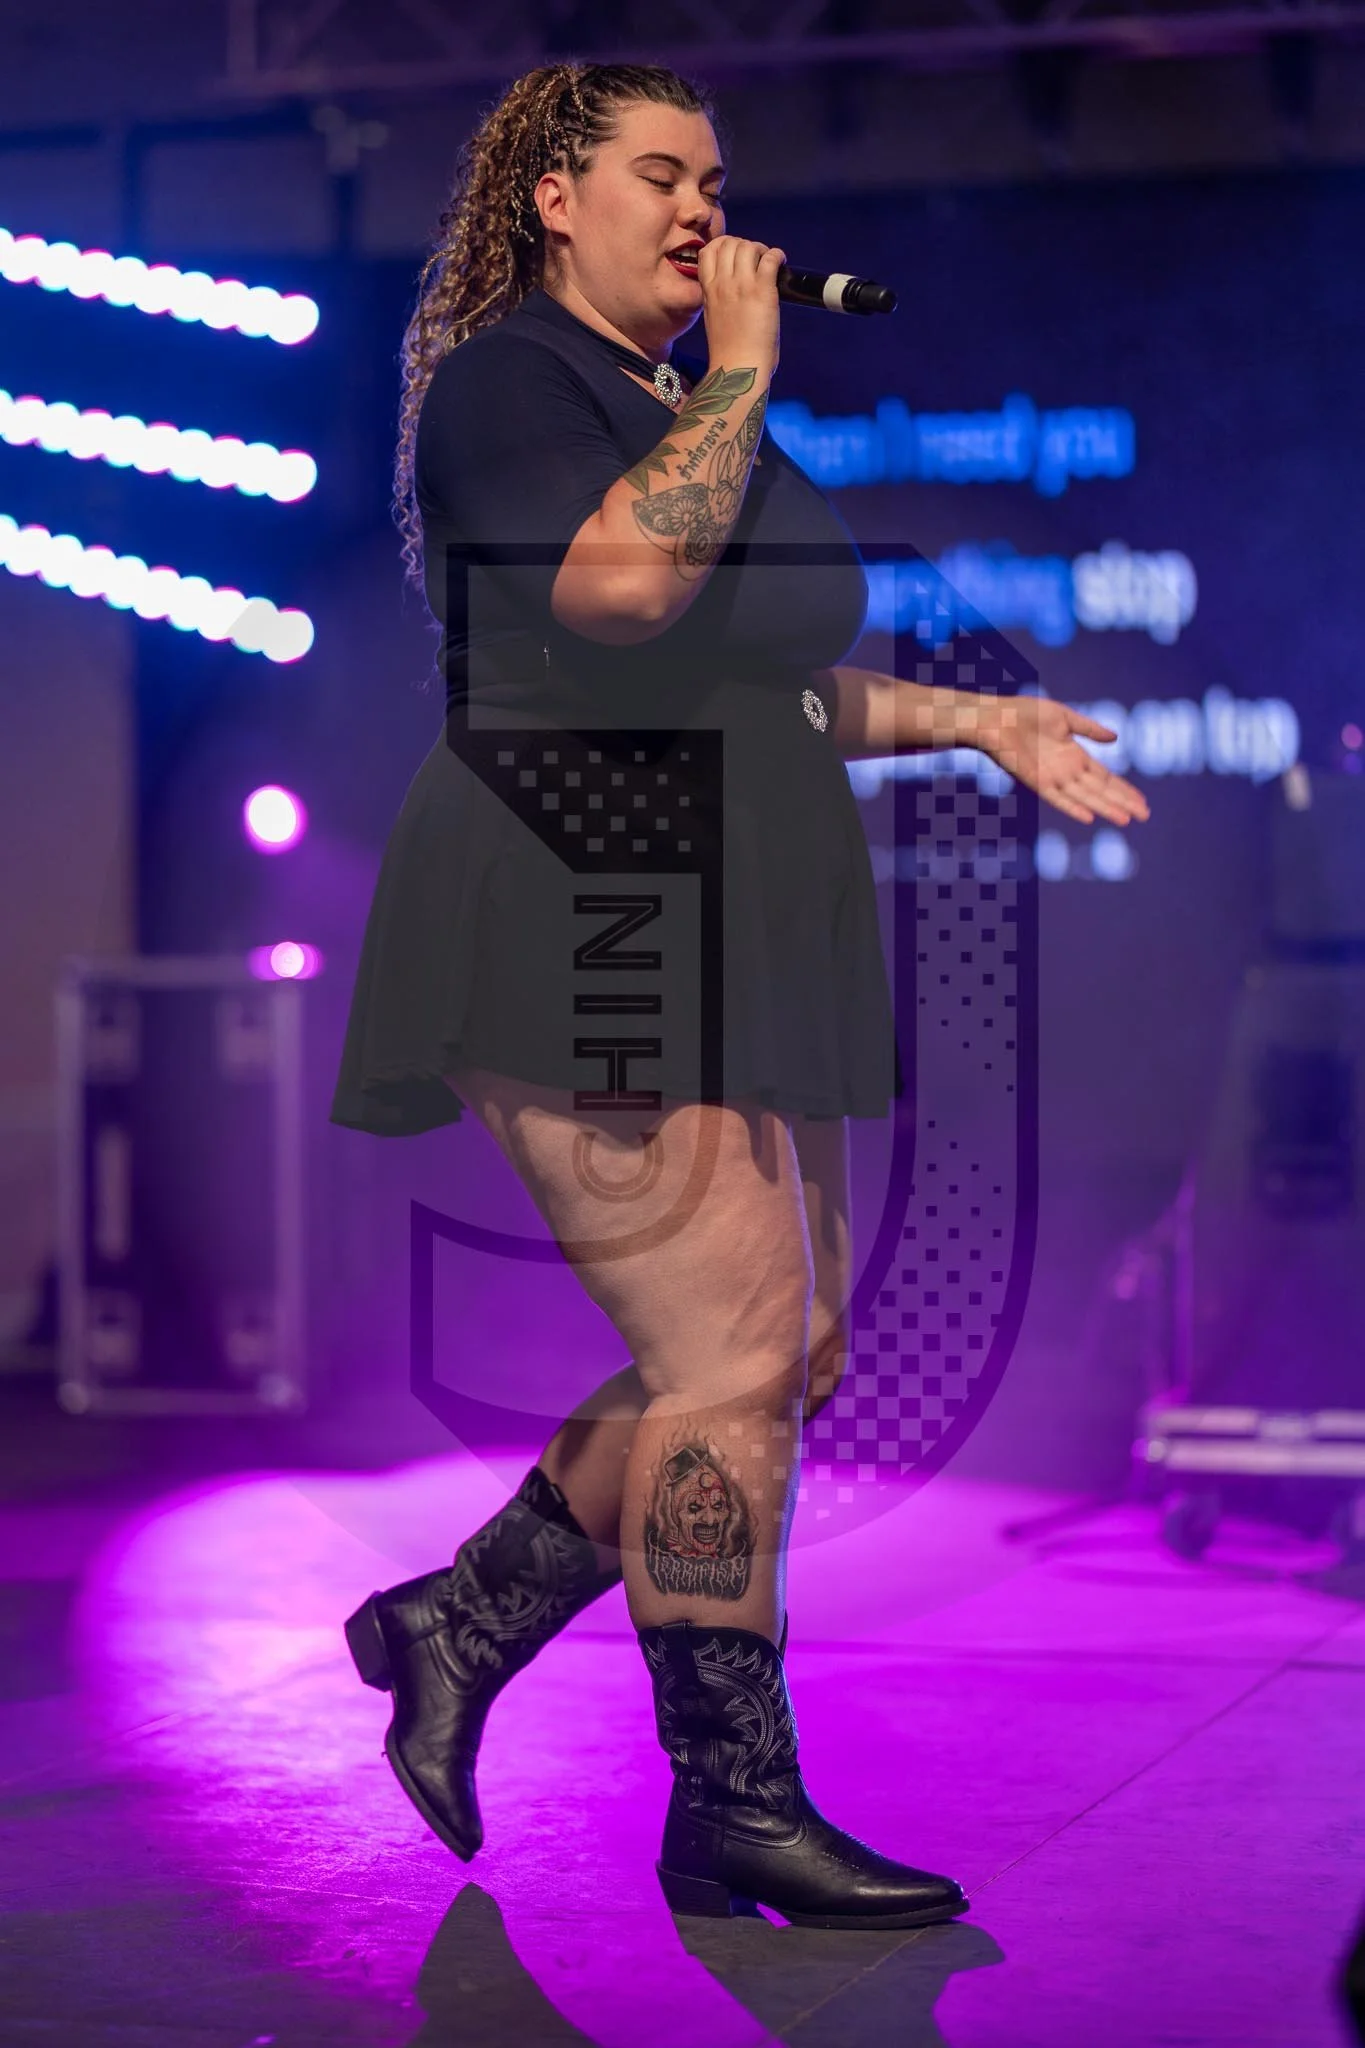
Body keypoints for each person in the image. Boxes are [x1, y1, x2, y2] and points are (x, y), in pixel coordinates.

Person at [332, 60, 1149, 1930]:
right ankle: (732, 1801)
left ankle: (459, 1625)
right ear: (556, 196)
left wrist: (975, 719)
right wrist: (746, 372)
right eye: (663, 176)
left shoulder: (674, 406)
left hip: (729, 899)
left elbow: (760, 682)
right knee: (728, 1361)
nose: (706, 211)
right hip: (587, 891)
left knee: (792, 1354)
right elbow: (621, 597)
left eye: (716, 182)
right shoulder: (514, 386)